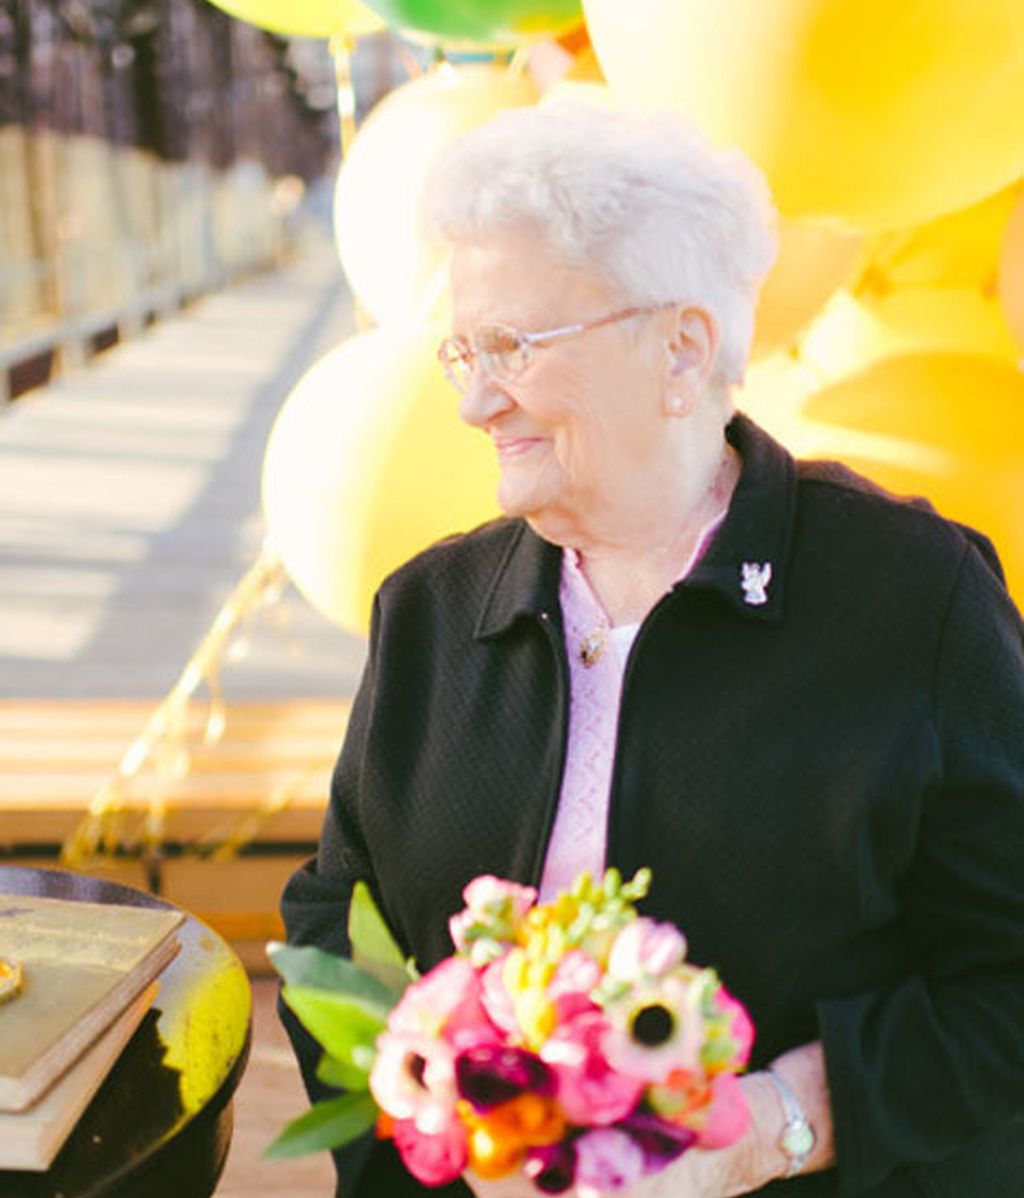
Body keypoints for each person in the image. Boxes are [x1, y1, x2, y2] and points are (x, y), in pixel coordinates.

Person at [280, 101, 1024, 1198]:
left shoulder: (913, 599)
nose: (477, 401)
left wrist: (784, 1122)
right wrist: (430, 1128)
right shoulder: (430, 609)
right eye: (462, 350)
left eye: (513, 347)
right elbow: (332, 923)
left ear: (680, 349)